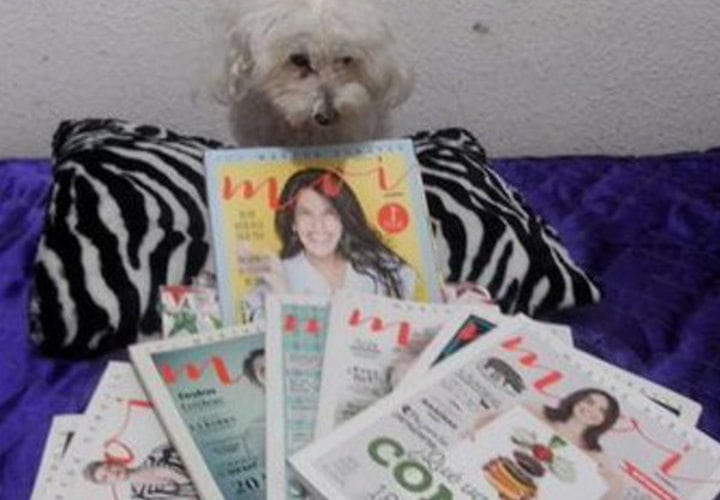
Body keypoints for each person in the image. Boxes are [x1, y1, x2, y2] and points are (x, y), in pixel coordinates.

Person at [239, 168, 416, 318]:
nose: (318, 226)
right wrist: (282, 295)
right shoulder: (275, 278)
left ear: (343, 218)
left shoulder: (384, 267)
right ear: (293, 223)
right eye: (306, 214)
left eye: (329, 213)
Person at [471, 388, 625, 498]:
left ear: (607, 420)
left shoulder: (596, 456)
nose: (591, 410)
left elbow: (611, 494)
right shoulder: (536, 411)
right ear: (577, 399)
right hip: (482, 476)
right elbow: (485, 426)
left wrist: (611, 480)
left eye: (602, 410)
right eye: (589, 402)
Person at [82, 443, 198, 499]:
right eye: (105, 477)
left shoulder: (160, 452)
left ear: (114, 461)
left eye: (109, 468)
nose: (112, 473)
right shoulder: (140, 498)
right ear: (109, 484)